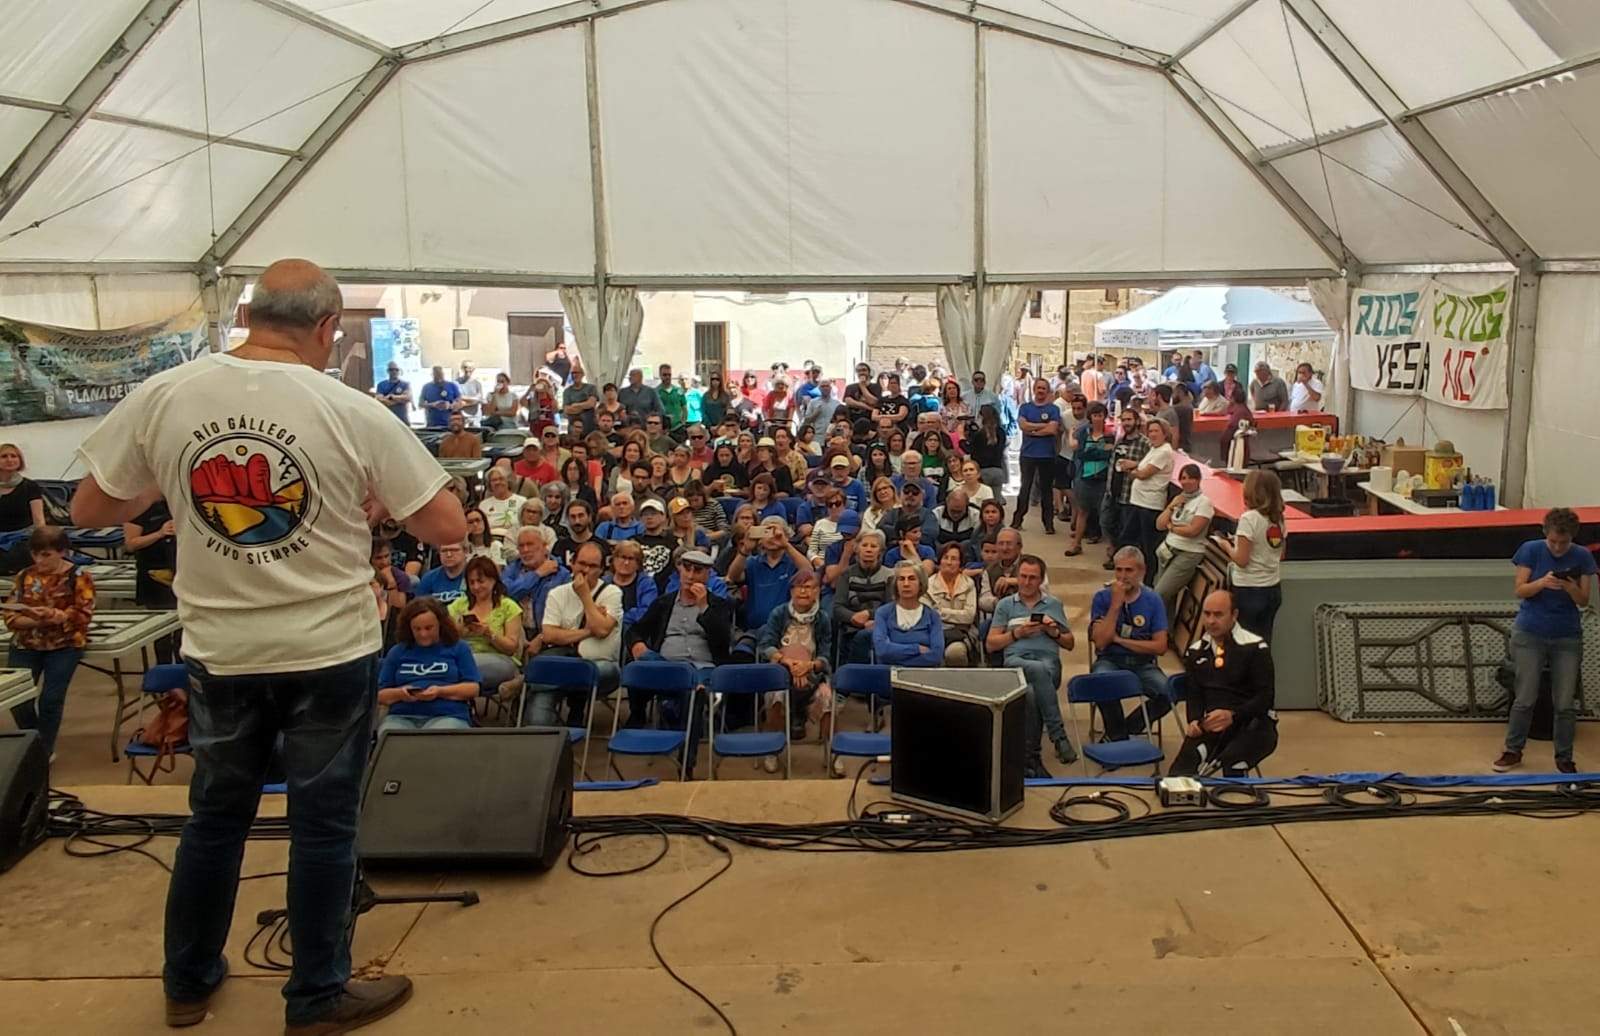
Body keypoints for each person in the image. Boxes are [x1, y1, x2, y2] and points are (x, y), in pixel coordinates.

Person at [70, 259, 465, 1030]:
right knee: (324, 824)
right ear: (327, 329)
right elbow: (447, 527)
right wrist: (376, 504)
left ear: (248, 311)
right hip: (328, 648)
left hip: (220, 648)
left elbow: (90, 504)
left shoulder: (167, 395)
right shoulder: (347, 408)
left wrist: (178, 479)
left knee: (214, 819)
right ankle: (316, 995)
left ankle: (187, 983)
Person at [1495, 507, 1595, 773]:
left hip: (1567, 635)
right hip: (1530, 632)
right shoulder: (1531, 549)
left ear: (1573, 538)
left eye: (1564, 543)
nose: (1559, 547)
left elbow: (1584, 600)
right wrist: (1542, 583)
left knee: (1564, 702)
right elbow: (1520, 590)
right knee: (1525, 696)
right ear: (1545, 534)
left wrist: (1570, 586)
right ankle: (1512, 750)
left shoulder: (1583, 556)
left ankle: (1564, 757)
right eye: (1553, 542)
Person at [625, 550, 735, 769]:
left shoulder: (720, 606)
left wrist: (704, 608)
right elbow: (634, 630)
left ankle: (687, 759)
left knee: (695, 692)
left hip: (704, 667)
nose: (691, 575)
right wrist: (636, 643)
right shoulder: (664, 603)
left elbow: (723, 643)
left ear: (708, 574)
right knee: (641, 663)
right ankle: (644, 713)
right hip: (666, 666)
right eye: (687, 568)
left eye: (698, 570)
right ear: (679, 570)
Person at [3, 525, 93, 756]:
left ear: (61, 552)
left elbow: (83, 614)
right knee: (17, 698)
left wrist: (59, 616)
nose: (39, 559)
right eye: (35, 554)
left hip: (64, 646)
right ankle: (34, 742)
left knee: (50, 700)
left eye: (45, 554)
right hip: (26, 644)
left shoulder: (79, 576)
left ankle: (44, 750)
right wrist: (39, 621)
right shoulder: (24, 576)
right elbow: (11, 617)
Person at [1171, 590, 1278, 777]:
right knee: (1179, 773)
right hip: (1212, 726)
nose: (1211, 621)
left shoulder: (1255, 647)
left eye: (1218, 614)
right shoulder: (1195, 652)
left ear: (1234, 615)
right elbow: (1194, 694)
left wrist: (1233, 715)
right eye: (1207, 614)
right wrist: (1194, 720)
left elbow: (1265, 697)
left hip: (1253, 724)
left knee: (1232, 764)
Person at [986, 554, 1076, 775]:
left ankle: (1030, 761)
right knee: (1036, 675)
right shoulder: (1006, 605)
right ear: (1017, 577)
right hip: (1016, 664)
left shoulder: (1053, 604)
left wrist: (1053, 632)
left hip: (1048, 662)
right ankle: (1057, 737)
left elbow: (1070, 643)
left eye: (1033, 578)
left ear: (1041, 580)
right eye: (1023, 577)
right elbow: (991, 645)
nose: (1027, 582)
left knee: (1034, 691)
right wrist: (1017, 634)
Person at [530, 541, 623, 726]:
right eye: (582, 564)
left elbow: (602, 630)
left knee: (544, 674)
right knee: (536, 720)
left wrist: (585, 596)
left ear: (602, 569)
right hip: (564, 661)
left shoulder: (612, 593)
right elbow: (549, 635)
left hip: (601, 665)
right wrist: (588, 631)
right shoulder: (557, 593)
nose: (586, 570)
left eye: (593, 566)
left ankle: (525, 682)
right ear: (572, 562)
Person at [1088, 547, 1172, 741]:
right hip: (1110, 660)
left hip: (1143, 664)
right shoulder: (1102, 598)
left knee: (1169, 692)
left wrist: (1119, 640)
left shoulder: (1153, 600)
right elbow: (1100, 642)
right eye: (1119, 570)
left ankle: (1123, 731)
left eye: (1129, 570)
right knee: (1101, 681)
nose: (1122, 576)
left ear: (1141, 572)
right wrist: (1116, 605)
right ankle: (1118, 738)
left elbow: (1160, 647)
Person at [378, 598, 481, 732]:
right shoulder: (397, 652)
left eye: (429, 628)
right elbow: (381, 695)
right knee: (392, 739)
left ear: (440, 625)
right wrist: (401, 694)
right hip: (402, 715)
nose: (423, 634)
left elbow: (473, 688)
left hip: (447, 714)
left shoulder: (458, 648)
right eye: (417, 629)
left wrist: (440, 691)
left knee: (436, 739)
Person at [756, 569, 834, 743]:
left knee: (827, 697)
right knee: (775, 697)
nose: (803, 592)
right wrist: (787, 662)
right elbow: (765, 646)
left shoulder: (823, 619)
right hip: (781, 673)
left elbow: (826, 657)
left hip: (813, 674)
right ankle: (772, 748)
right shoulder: (779, 613)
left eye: (808, 587)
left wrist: (810, 666)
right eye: (798, 587)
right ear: (791, 591)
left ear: (817, 591)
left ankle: (830, 752)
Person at [1214, 468, 1287, 641]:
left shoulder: (1249, 519)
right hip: (1272, 589)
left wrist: (1226, 545)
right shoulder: (1278, 520)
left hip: (1248, 590)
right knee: (1264, 642)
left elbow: (1241, 560)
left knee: (1244, 642)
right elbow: (1281, 554)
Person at [446, 556, 524, 700]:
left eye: (481, 581)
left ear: (493, 580)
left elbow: (511, 648)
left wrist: (489, 634)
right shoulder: (459, 605)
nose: (476, 587)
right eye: (472, 582)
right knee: (453, 662)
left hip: (500, 659)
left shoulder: (508, 606)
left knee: (455, 666)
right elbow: (444, 639)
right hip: (462, 656)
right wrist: (459, 632)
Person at [1153, 463, 1215, 619]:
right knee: (1168, 598)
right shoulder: (1178, 499)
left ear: (1198, 480)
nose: (1186, 482)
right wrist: (1171, 507)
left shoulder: (1204, 502)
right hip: (1167, 550)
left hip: (1188, 553)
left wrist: (1172, 528)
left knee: (1159, 594)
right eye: (1183, 478)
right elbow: (1159, 524)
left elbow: (1193, 531)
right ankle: (1165, 634)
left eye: (1190, 478)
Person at [122, 497, 180, 662]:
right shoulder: (137, 508)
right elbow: (131, 544)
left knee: (182, 634)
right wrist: (159, 534)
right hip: (154, 576)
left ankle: (184, 678)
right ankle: (165, 674)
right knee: (161, 634)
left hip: (181, 572)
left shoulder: (179, 503)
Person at [728, 514, 808, 629]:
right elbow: (733, 576)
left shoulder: (793, 562)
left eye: (776, 533)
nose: (772, 537)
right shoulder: (753, 562)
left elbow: (808, 571)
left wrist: (786, 544)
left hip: (787, 630)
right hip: (754, 630)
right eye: (767, 532)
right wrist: (745, 550)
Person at [1123, 417, 1176, 582]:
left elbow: (1144, 473)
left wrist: (1131, 470)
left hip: (1150, 505)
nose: (1152, 434)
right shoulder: (1154, 449)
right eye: (1150, 431)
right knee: (1130, 538)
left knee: (1148, 546)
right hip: (1139, 502)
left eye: (1156, 431)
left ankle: (1148, 580)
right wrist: (1136, 467)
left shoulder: (1165, 451)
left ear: (1164, 433)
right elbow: (1143, 468)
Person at [832, 529, 892, 664]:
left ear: (880, 551)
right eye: (864, 545)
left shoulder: (889, 575)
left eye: (873, 546)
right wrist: (853, 617)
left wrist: (870, 615)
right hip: (852, 626)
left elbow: (891, 607)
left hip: (881, 626)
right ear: (857, 549)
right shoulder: (847, 574)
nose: (868, 550)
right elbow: (837, 607)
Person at [871, 561, 943, 667]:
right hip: (889, 676)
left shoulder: (933, 616)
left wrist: (895, 656)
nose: (906, 584)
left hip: (923, 676)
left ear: (921, 584)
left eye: (911, 579)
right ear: (895, 584)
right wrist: (916, 649)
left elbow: (936, 656)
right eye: (901, 579)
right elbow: (882, 650)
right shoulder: (883, 613)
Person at [1063, 402, 1112, 558]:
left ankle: (1111, 548)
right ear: (1090, 417)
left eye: (1100, 415)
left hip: (1103, 480)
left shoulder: (1110, 433)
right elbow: (1079, 451)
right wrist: (1099, 451)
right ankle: (1076, 543)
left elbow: (1109, 454)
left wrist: (1090, 452)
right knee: (1082, 511)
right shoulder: (1084, 432)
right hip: (1084, 478)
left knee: (1105, 515)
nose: (1098, 418)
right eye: (1095, 415)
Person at [1012, 379, 1060, 534]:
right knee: (1024, 488)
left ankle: (1048, 524)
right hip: (1028, 454)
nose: (1041, 391)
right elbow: (1022, 426)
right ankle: (1017, 520)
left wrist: (1032, 430)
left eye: (1044, 388)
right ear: (1034, 389)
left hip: (1047, 455)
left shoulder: (1053, 409)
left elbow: (1053, 430)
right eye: (1038, 388)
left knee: (1047, 491)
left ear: (1047, 391)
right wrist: (1043, 426)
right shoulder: (1025, 407)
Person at [1103, 408, 1149, 566]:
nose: (1126, 423)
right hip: (1113, 491)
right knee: (1107, 523)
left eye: (1129, 419)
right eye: (1124, 420)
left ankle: (1120, 561)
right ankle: (1114, 553)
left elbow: (1150, 465)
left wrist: (1135, 464)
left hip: (1129, 494)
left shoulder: (1144, 443)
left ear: (1136, 421)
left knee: (1126, 532)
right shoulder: (1120, 439)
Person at [926, 541, 980, 666]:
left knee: (955, 653)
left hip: (961, 635)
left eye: (954, 559)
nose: (949, 562)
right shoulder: (928, 584)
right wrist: (957, 616)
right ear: (940, 561)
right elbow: (929, 616)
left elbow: (969, 616)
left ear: (960, 563)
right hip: (934, 634)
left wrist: (941, 612)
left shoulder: (968, 584)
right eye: (946, 558)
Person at [416, 539, 470, 603]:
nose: (449, 555)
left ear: (466, 551)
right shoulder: (428, 578)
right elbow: (420, 607)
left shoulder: (473, 575)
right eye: (444, 551)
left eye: (454, 550)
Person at [562, 365, 600, 435]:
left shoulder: (591, 388)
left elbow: (591, 404)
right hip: (573, 429)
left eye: (577, 373)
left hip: (589, 426)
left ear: (582, 374)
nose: (574, 375)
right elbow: (567, 410)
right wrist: (584, 406)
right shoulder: (567, 391)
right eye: (572, 373)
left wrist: (576, 405)